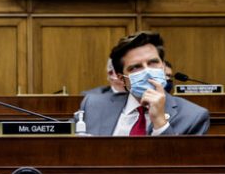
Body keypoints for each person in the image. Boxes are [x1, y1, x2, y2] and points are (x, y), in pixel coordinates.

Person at [78, 31, 209, 136]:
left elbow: (180, 161)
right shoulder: (93, 105)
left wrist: (160, 122)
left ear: (163, 66)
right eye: (135, 67)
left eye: (153, 62)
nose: (147, 72)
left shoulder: (193, 116)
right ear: (122, 78)